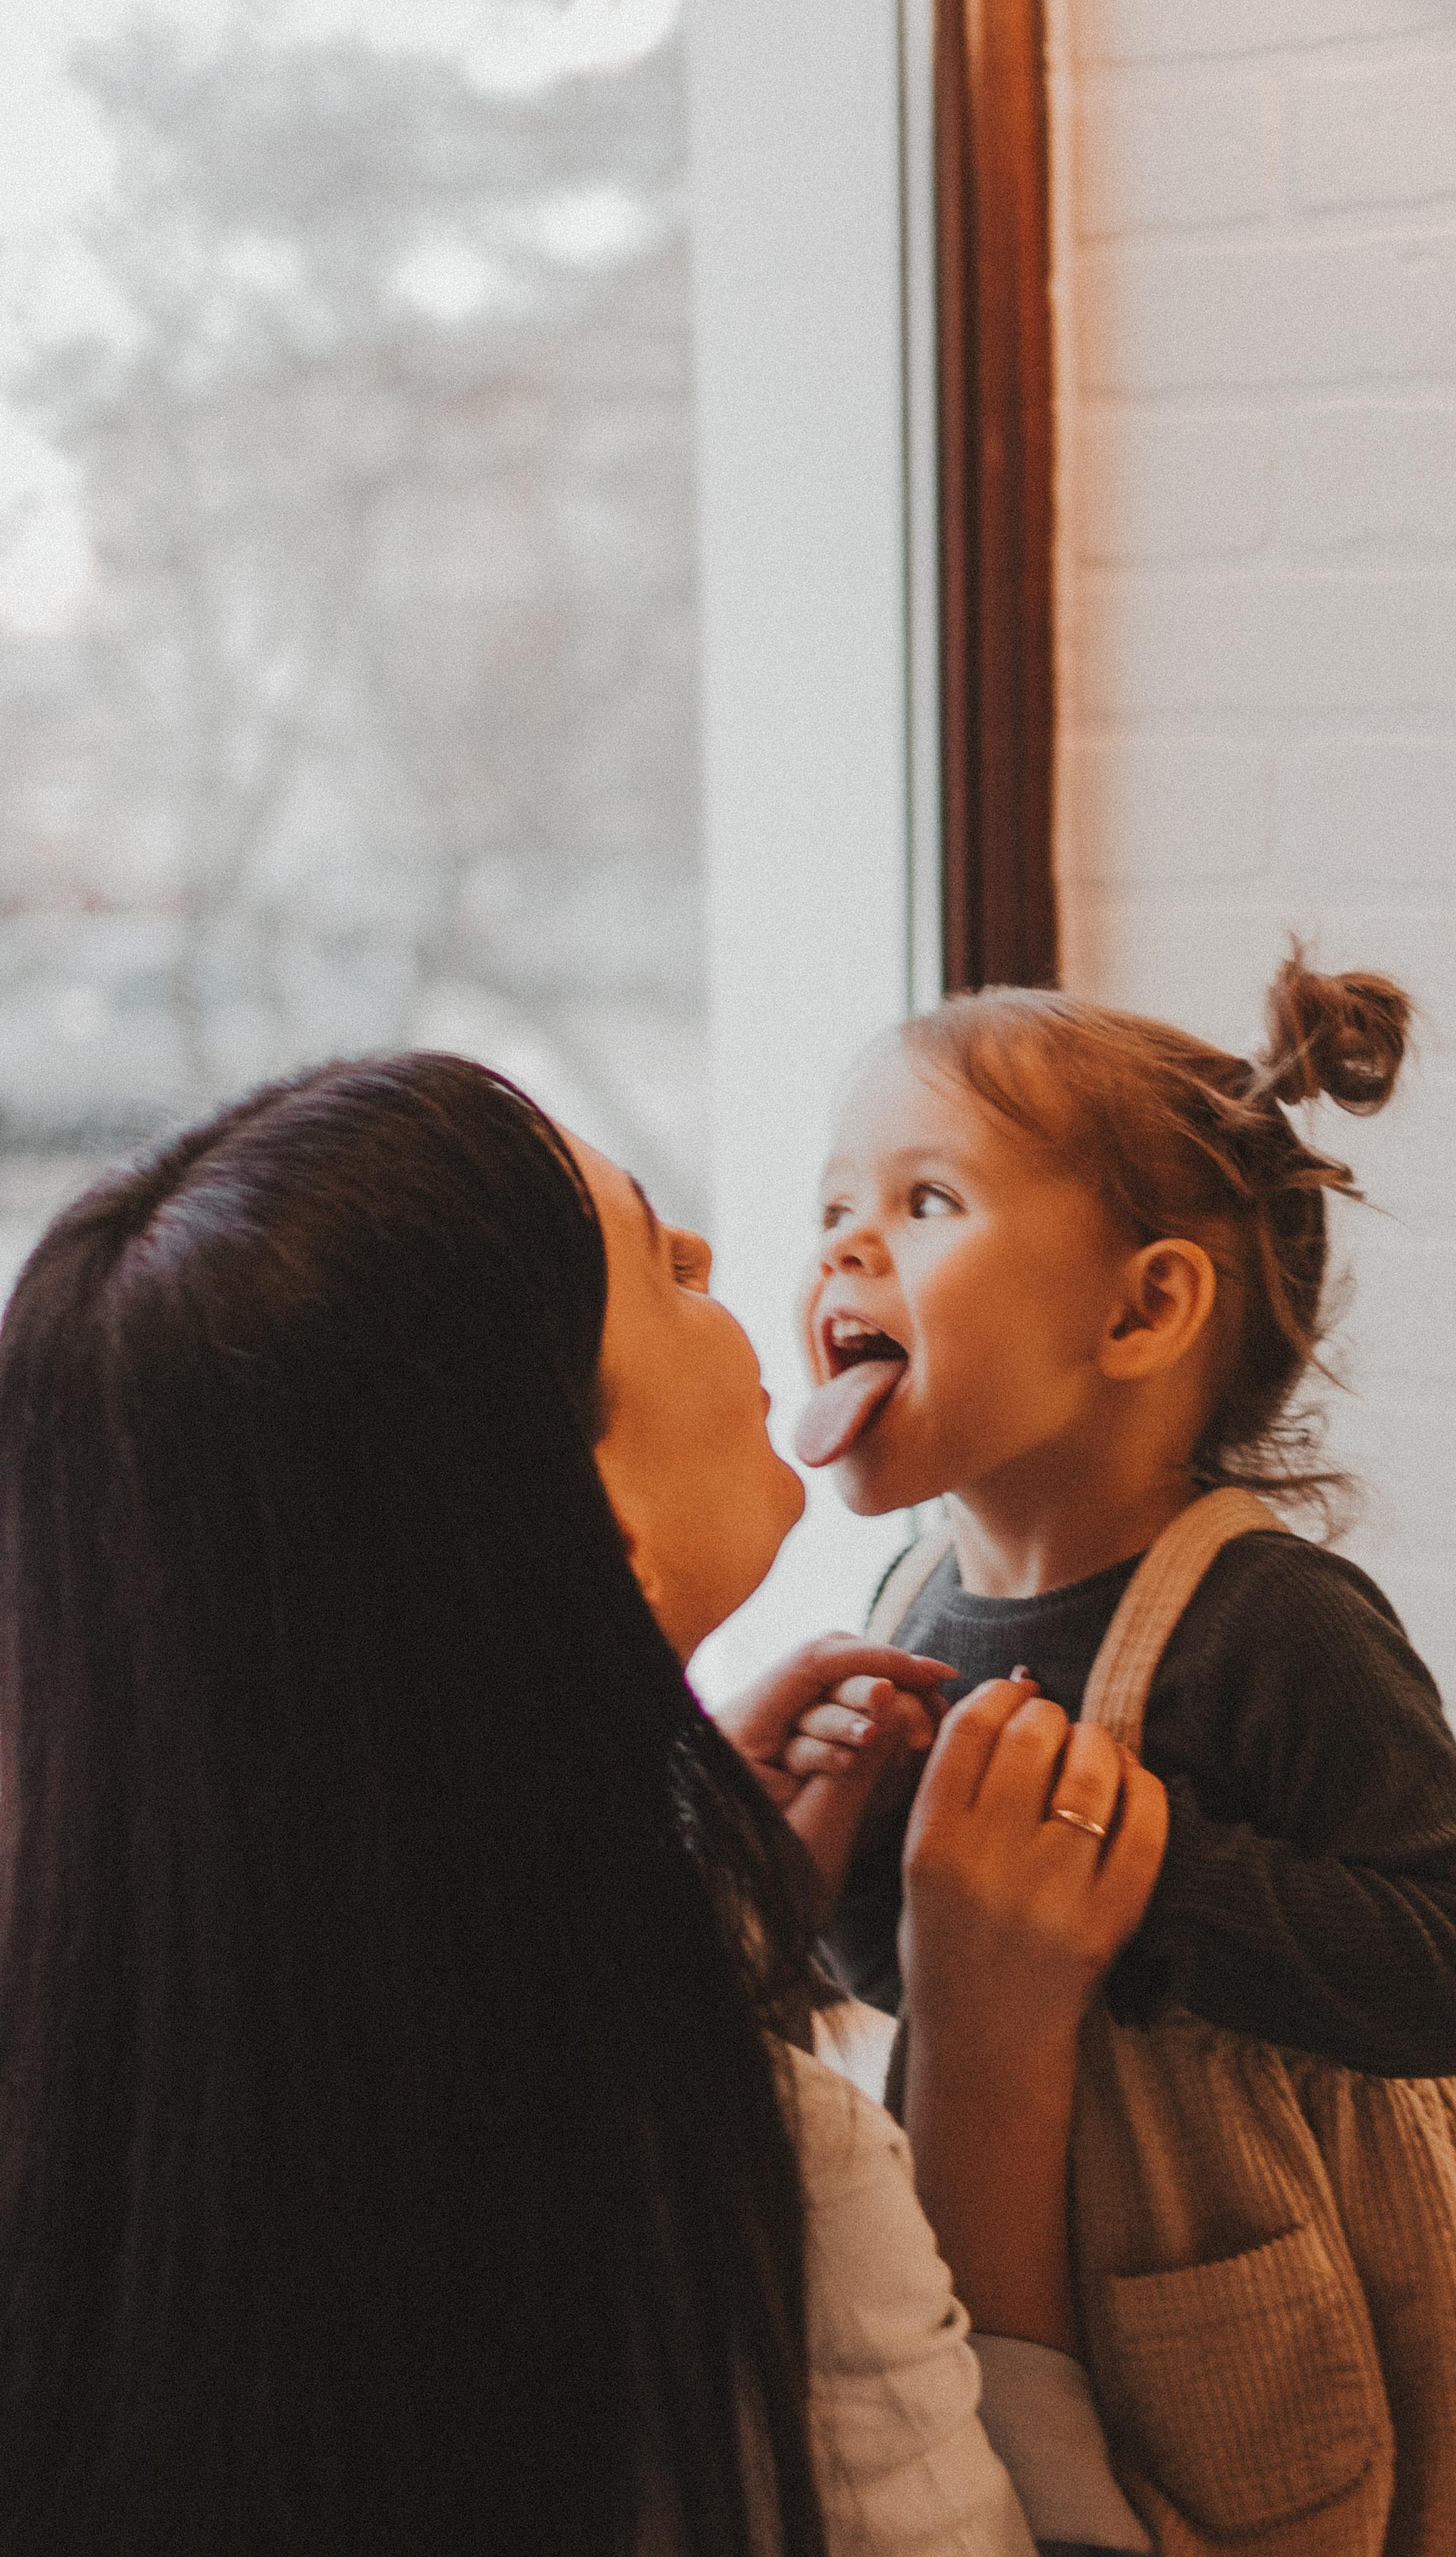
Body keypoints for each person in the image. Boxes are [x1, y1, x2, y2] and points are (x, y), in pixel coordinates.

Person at [0, 1050, 1161, 2557]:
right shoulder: (752, 2186)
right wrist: (989, 2071)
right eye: (660, 1266)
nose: (718, 1256)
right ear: (596, 1520)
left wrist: (709, 1917)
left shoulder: (99, 2067)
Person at [780, 958, 1456, 2554]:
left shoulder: (1268, 1621)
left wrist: (1143, 1874)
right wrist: (843, 1854)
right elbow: (918, 1978)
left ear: (1142, 1309)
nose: (842, 1247)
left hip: (1317, 2277)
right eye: (831, 1205)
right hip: (1033, 2267)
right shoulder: (905, 1599)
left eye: (923, 1200)